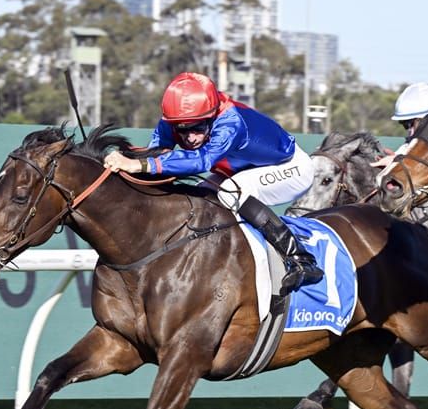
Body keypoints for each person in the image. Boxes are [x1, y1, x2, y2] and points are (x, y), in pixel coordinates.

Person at [103, 72, 323, 295]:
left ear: (212, 116)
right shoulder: (172, 121)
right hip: (241, 169)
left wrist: (139, 165)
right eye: (182, 129)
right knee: (198, 199)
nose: (189, 138)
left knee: (230, 191)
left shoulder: (230, 122)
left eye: (197, 128)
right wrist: (125, 159)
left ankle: (300, 259)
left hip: (291, 167)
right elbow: (157, 154)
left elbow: (202, 160)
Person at [370, 82, 428, 170]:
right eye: (405, 125)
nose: (410, 131)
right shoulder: (410, 143)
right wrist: (394, 157)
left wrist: (397, 161)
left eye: (411, 123)